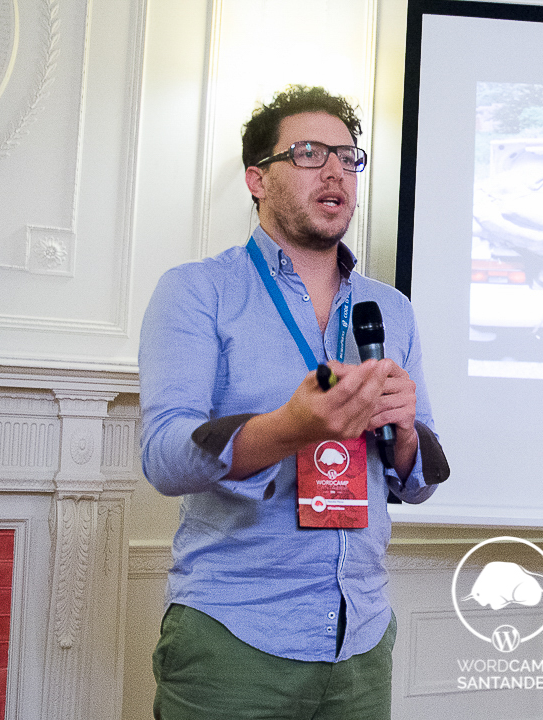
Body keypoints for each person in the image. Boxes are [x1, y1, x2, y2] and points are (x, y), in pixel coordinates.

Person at [138, 85, 449, 720]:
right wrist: (291, 427)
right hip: (234, 638)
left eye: (347, 157)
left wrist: (403, 430)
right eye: (309, 153)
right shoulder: (197, 291)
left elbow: (419, 480)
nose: (335, 171)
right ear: (257, 179)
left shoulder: (391, 309)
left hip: (362, 640)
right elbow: (165, 456)